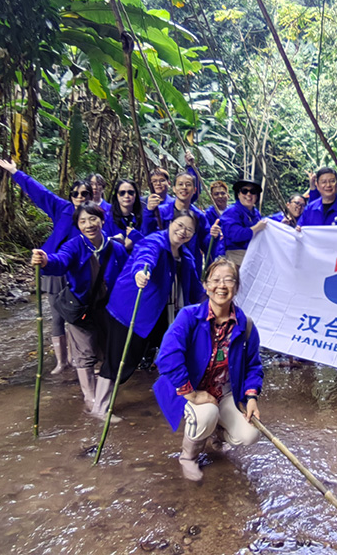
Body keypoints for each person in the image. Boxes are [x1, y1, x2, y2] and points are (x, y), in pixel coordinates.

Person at [153, 257, 263, 481]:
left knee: (251, 434)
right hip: (190, 389)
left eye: (229, 280)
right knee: (207, 414)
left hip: (223, 393)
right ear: (205, 285)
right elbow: (167, 356)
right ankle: (188, 456)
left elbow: (253, 365)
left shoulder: (246, 325)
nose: (222, 286)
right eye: (215, 280)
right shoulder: (189, 316)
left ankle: (217, 436)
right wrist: (192, 393)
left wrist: (251, 397)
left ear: (237, 287)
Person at [98, 209, 205, 420]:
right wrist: (141, 271)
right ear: (170, 223)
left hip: (164, 315)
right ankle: (99, 407)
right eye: (180, 225)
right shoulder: (155, 241)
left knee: (177, 351)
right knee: (119, 360)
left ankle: (178, 398)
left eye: (189, 230)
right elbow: (145, 256)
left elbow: (196, 290)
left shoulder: (186, 256)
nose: (183, 232)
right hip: (132, 312)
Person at [0, 158, 92, 374]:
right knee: (57, 314)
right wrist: (15, 172)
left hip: (79, 271)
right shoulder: (62, 209)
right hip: (53, 266)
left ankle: (82, 359)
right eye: (75, 193)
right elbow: (40, 193)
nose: (79, 197)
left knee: (78, 314)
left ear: (90, 196)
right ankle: (62, 361)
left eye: (84, 194)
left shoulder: (94, 216)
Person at [30, 202, 128, 411]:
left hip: (108, 310)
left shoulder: (116, 248)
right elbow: (61, 261)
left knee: (106, 351)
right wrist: (46, 261)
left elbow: (127, 275)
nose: (88, 224)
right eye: (82, 221)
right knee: (84, 353)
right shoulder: (74, 246)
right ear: (78, 226)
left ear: (102, 220)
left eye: (93, 219)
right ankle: (90, 400)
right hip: (80, 309)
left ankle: (102, 399)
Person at [143, 171, 220, 273]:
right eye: (180, 184)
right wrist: (148, 212)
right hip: (164, 265)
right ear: (174, 189)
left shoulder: (198, 216)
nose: (184, 187)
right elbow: (146, 235)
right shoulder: (161, 212)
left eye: (188, 185)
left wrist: (213, 236)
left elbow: (205, 244)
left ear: (194, 190)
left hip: (189, 267)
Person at [220, 179, 267, 266]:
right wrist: (256, 228)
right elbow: (235, 235)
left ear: (257, 196)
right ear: (238, 194)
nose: (248, 194)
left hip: (253, 255)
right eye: (244, 191)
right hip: (236, 255)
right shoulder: (231, 211)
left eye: (252, 192)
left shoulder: (256, 213)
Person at [104, 179, 145, 253]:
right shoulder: (107, 218)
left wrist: (135, 237)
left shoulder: (144, 216)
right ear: (117, 195)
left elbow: (149, 243)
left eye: (130, 192)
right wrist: (122, 245)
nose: (126, 196)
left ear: (136, 195)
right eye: (122, 193)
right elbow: (103, 245)